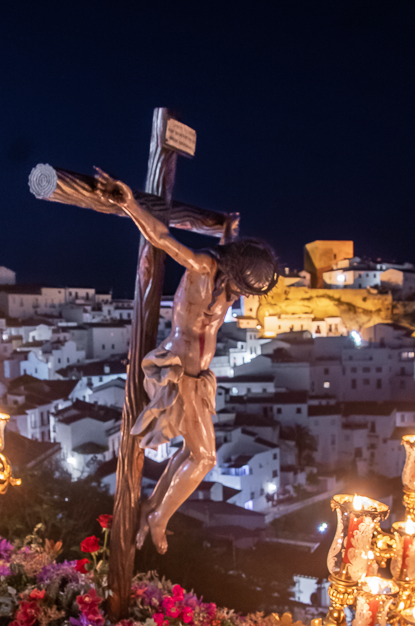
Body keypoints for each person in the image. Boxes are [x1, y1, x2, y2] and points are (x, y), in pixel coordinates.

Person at [94, 168, 278, 554]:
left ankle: (152, 507)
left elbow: (233, 249)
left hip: (199, 375)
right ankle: (158, 519)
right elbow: (162, 238)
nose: (238, 293)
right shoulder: (205, 268)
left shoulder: (229, 279)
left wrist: (229, 228)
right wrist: (129, 203)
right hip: (180, 372)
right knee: (205, 457)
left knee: (191, 453)